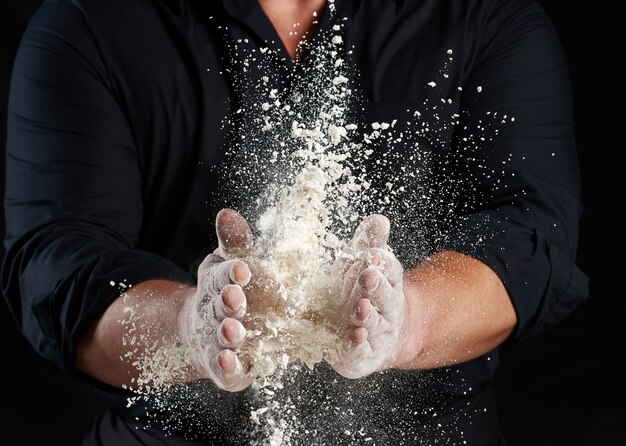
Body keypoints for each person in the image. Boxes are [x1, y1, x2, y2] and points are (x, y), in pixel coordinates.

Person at [2, 0, 588, 444]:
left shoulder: (486, 14)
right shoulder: (89, 23)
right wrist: (189, 330)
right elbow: (57, 267)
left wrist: (410, 320)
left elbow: (531, 235)